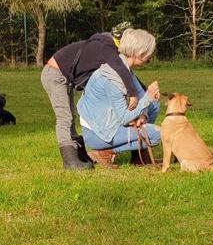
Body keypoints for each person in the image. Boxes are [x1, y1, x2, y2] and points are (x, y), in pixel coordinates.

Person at [41, 27, 143, 171]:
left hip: (63, 75)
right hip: (54, 75)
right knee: (65, 117)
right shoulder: (107, 47)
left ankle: (80, 157)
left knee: (70, 116)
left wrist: (142, 90)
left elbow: (126, 72)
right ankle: (69, 162)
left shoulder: (107, 44)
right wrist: (133, 93)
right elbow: (120, 69)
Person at [77, 28, 161, 166]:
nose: (150, 57)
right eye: (149, 54)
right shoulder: (113, 77)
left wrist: (143, 116)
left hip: (112, 124)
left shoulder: (124, 68)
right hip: (99, 133)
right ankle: (103, 152)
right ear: (140, 53)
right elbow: (123, 118)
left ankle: (138, 158)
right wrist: (147, 98)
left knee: (153, 106)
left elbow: (141, 95)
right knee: (157, 134)